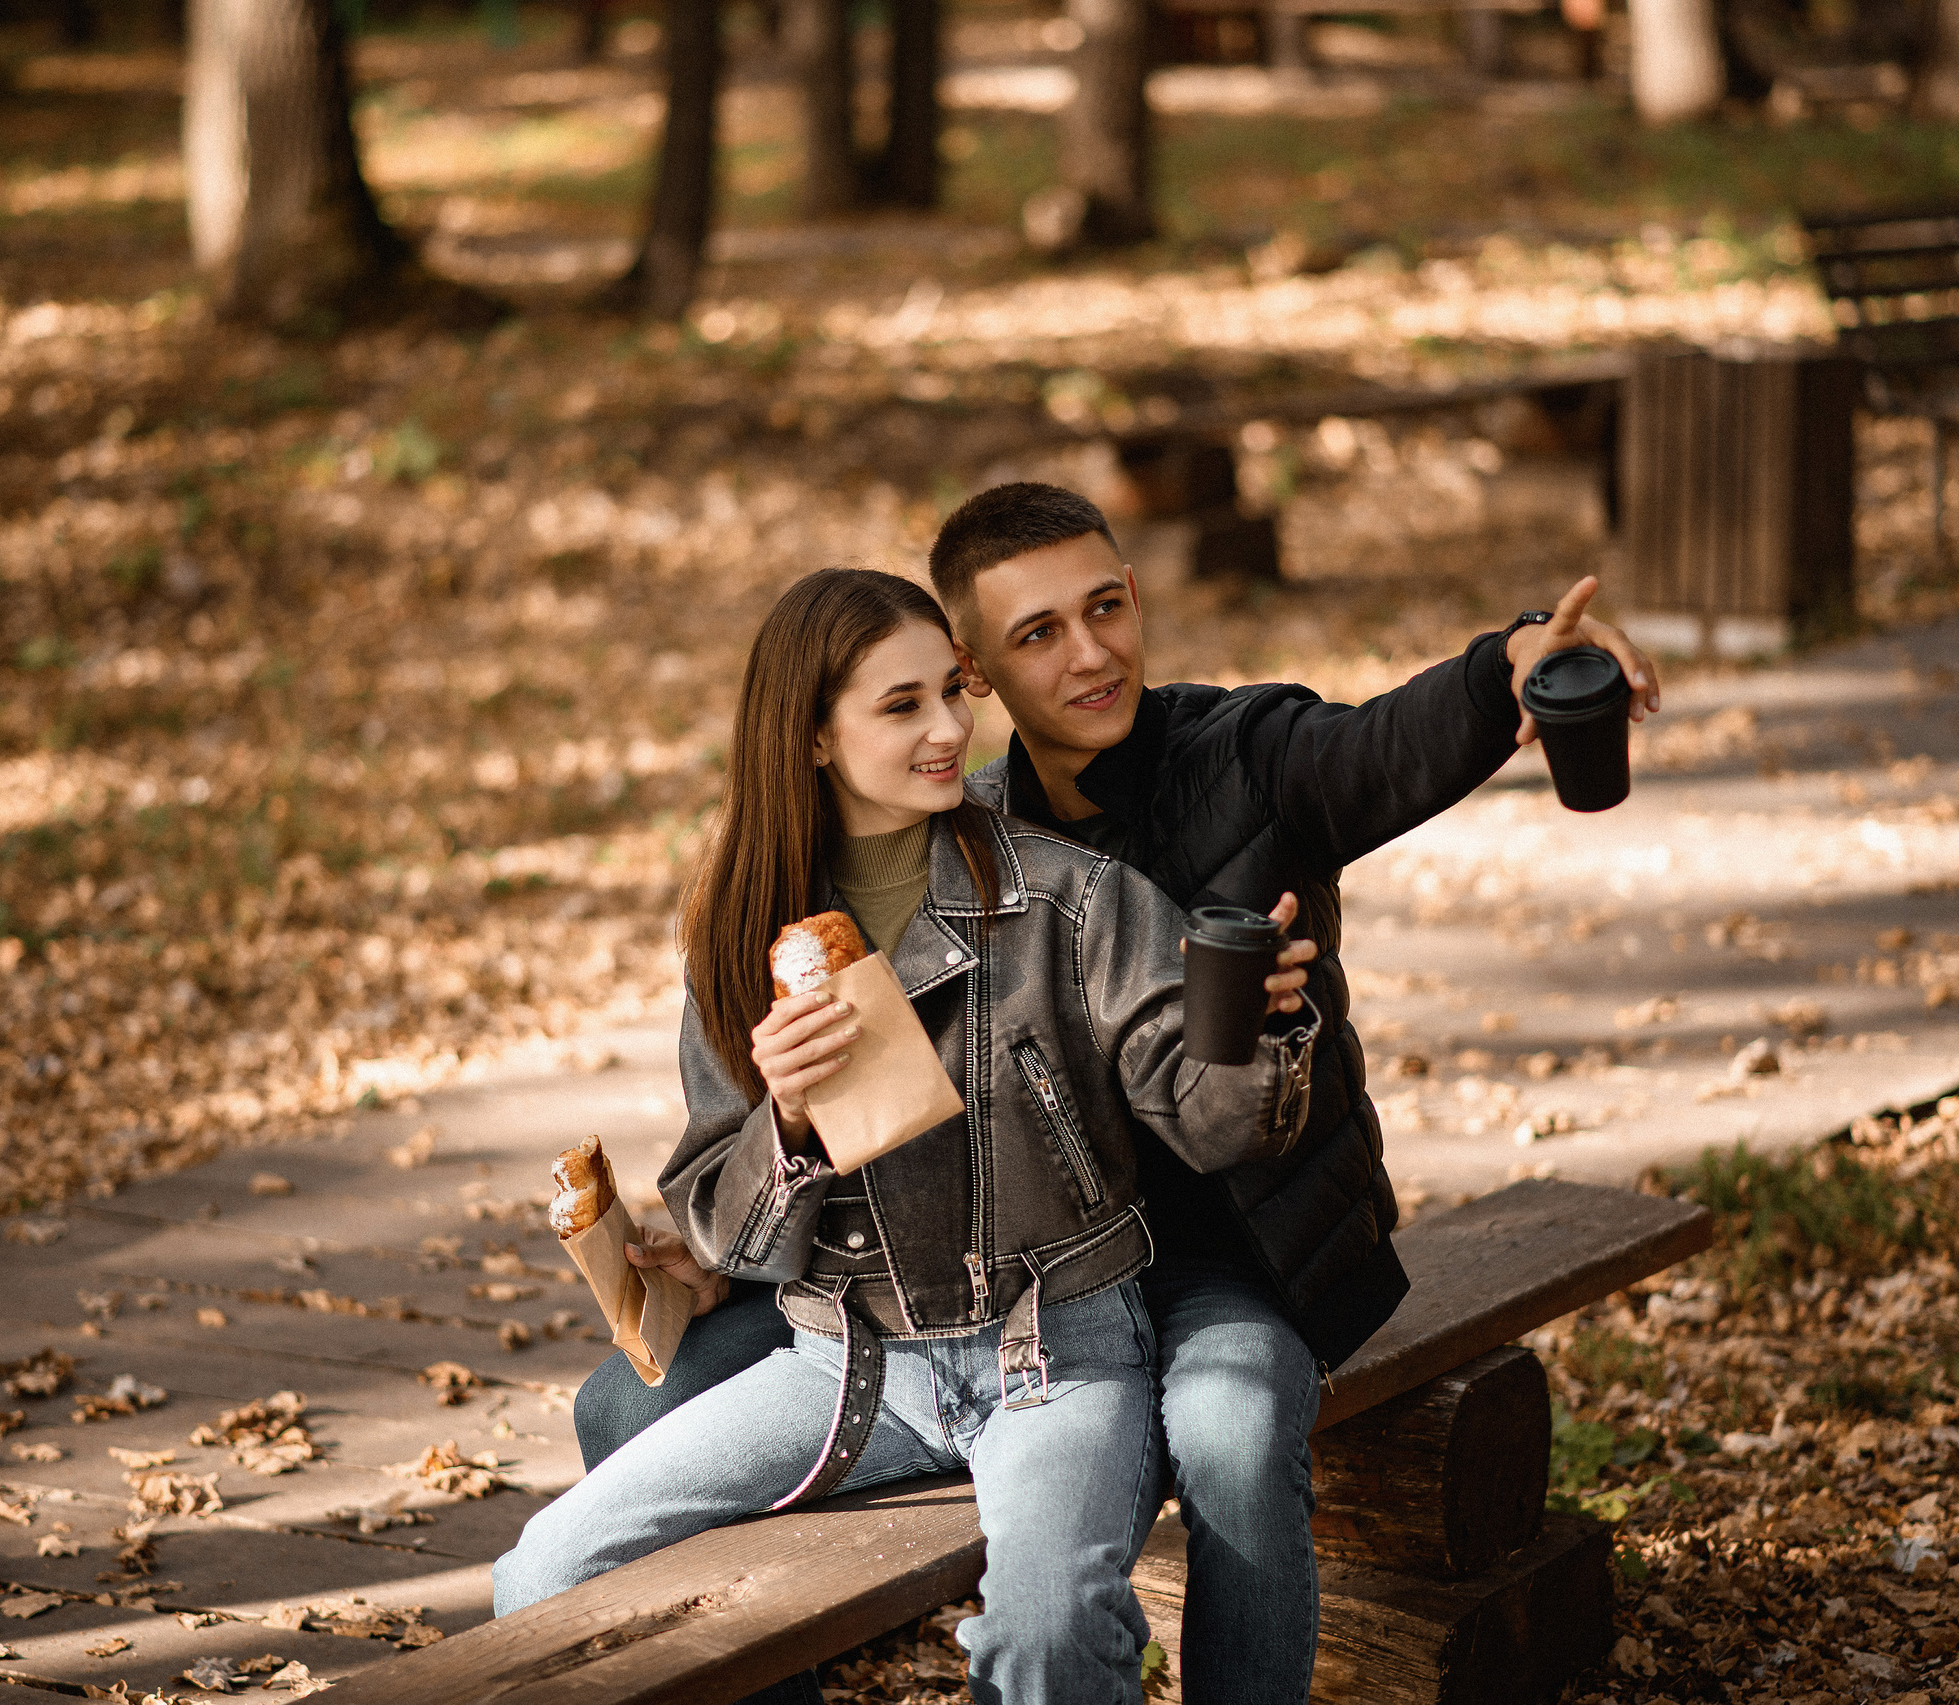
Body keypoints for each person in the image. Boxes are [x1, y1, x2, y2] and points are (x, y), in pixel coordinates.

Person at [575, 486, 1662, 1703]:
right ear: (977, 669)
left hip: (1227, 1238)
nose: (1088, 651)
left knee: (1232, 1435)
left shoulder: (1248, 760)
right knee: (625, 1399)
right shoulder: (958, 822)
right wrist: (755, 1189)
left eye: (1104, 608)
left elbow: (1387, 743)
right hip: (999, 1266)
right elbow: (891, 1115)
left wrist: (1510, 662)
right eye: (1036, 634)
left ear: (1134, 598)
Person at [492, 567, 1323, 1705]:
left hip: (1058, 1356)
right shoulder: (739, 934)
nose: (948, 730)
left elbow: (1218, 1126)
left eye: (951, 692)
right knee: (544, 1577)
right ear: (814, 739)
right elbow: (721, 1225)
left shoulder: (1070, 899)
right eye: (900, 707)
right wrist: (783, 1120)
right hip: (844, 1367)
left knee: (1044, 1636)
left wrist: (1253, 1025)